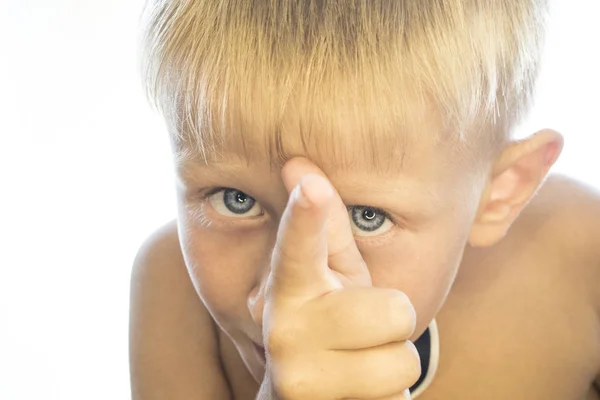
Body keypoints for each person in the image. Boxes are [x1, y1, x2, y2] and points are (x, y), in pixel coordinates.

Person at [129, 1, 600, 398]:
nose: (276, 299)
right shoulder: (171, 287)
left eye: (365, 217)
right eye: (234, 199)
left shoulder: (582, 254)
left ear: (499, 192)